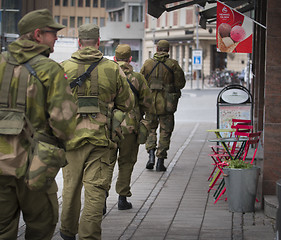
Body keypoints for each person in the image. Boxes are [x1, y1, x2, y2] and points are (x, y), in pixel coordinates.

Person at [0, 9, 77, 239]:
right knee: (40, 229)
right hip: (36, 167)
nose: (56, 37)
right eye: (52, 33)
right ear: (38, 35)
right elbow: (64, 126)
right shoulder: (51, 70)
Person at [59, 24, 134, 240]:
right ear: (98, 41)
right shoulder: (112, 69)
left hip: (71, 139)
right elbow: (127, 102)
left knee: (70, 188)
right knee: (95, 193)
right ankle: (89, 236)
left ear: (79, 42)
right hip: (101, 140)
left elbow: (52, 105)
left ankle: (66, 231)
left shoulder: (63, 68)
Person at [108, 44, 152, 210]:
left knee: (107, 162)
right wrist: (146, 122)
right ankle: (122, 199)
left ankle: (101, 199)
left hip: (110, 127)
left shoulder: (109, 75)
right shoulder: (138, 78)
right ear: (130, 59)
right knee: (126, 162)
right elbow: (148, 104)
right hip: (130, 129)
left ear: (114, 58)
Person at [140, 39, 186, 171]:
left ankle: (151, 156)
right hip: (167, 105)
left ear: (157, 49)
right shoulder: (173, 65)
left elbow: (141, 81)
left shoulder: (148, 64)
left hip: (150, 104)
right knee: (165, 131)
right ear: (168, 50)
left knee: (150, 129)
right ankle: (160, 160)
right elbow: (180, 84)